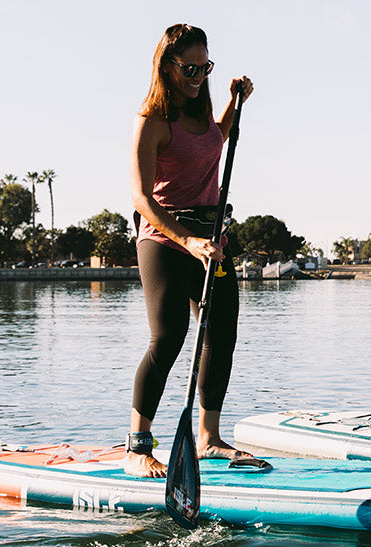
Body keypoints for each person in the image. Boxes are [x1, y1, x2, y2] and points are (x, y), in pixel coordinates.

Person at [125, 23, 260, 477]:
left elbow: (214, 141)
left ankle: (209, 437)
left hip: (212, 239)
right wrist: (187, 240)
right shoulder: (152, 121)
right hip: (165, 239)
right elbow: (142, 198)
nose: (199, 74)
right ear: (167, 66)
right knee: (169, 337)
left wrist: (234, 103)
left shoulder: (202, 115)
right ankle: (138, 447)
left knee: (221, 334)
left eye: (206, 66)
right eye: (190, 67)